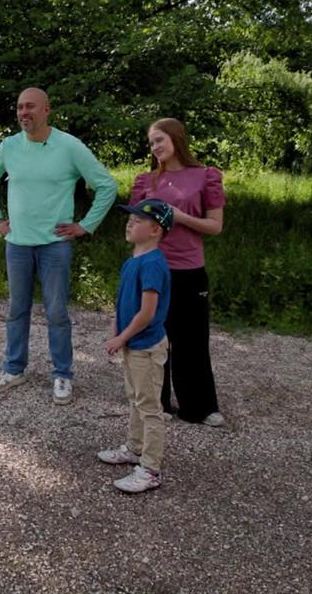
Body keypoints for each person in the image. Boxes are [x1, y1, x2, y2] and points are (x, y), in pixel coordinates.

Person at [0, 87, 117, 405]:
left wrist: (85, 225)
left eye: (30, 106)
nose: (23, 113)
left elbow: (106, 185)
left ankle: (63, 375)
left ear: (46, 110)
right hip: (17, 244)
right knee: (16, 310)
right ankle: (14, 368)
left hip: (55, 245)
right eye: (19, 107)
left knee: (57, 313)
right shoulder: (9, 146)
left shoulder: (69, 146)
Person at [129, 117, 226, 427]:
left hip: (189, 269)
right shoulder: (146, 181)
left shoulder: (205, 176)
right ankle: (156, 404)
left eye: (160, 139)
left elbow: (215, 226)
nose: (155, 146)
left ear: (177, 138)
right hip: (153, 268)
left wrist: (181, 217)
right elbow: (133, 226)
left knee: (192, 340)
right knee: (153, 337)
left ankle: (199, 407)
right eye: (151, 142)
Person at [98, 198, 174, 493]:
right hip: (133, 343)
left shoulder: (153, 264)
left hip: (146, 346)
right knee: (135, 398)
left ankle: (151, 469)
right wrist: (116, 328)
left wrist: (122, 337)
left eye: (137, 221)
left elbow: (147, 313)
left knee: (150, 407)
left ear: (156, 230)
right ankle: (134, 448)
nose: (129, 224)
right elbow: (123, 301)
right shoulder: (133, 261)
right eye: (129, 219)